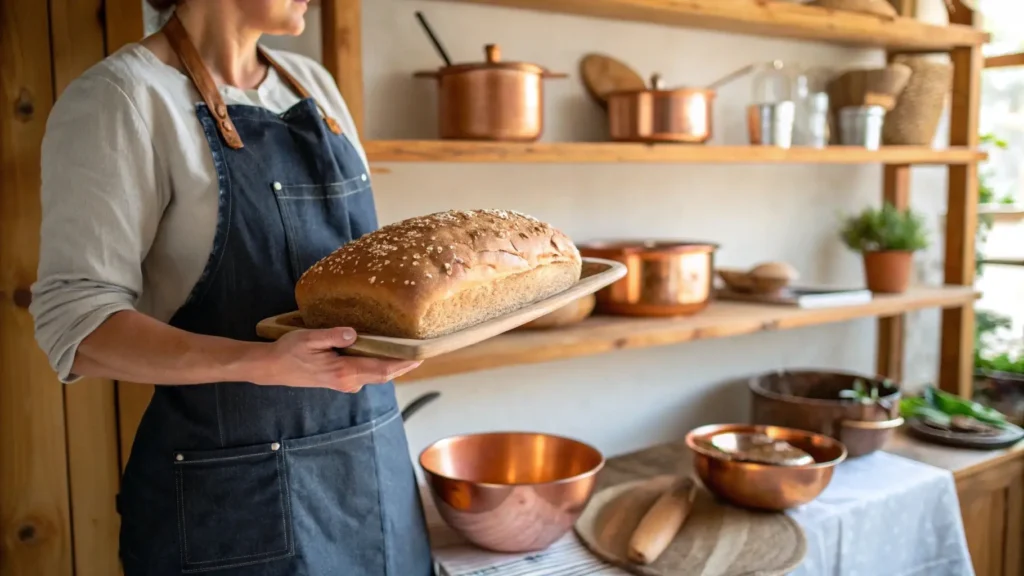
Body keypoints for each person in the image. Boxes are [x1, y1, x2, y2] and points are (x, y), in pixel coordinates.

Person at [31, 0, 434, 574]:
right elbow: (76, 323)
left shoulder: (312, 85)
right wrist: (263, 361)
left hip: (374, 480)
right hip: (237, 507)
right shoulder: (123, 98)